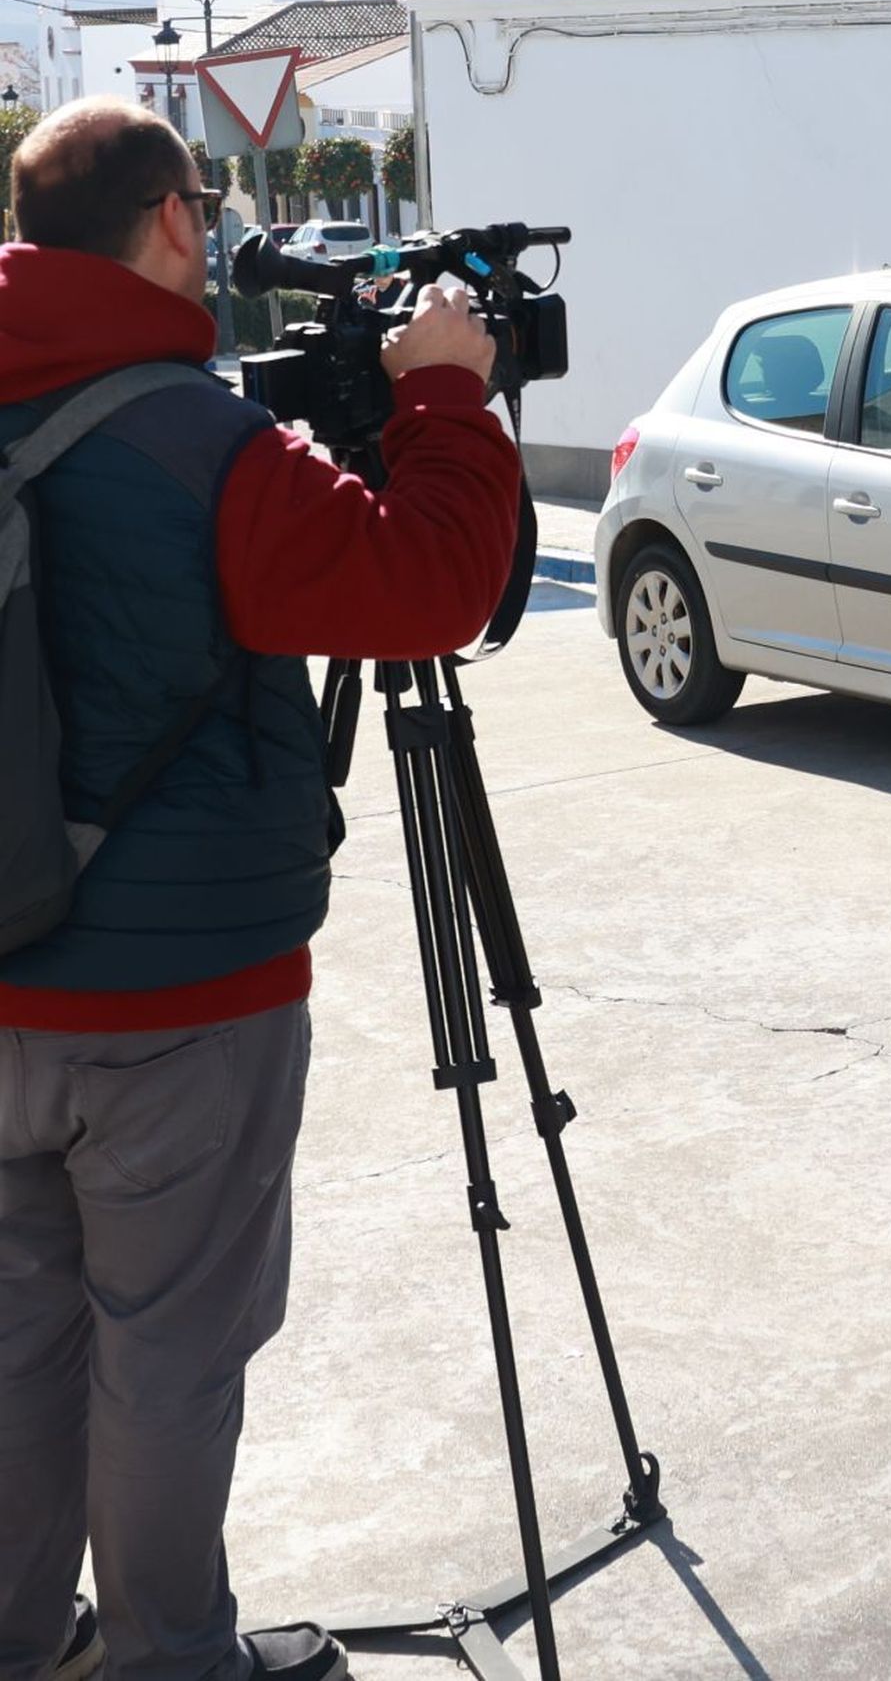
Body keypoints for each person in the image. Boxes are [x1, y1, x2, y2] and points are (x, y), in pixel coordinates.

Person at [0, 101, 524, 1681]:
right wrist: (440, 401)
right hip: (177, 1001)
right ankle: (172, 1660)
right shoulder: (197, 440)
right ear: (169, 222)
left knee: (22, 1345)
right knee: (167, 1350)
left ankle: (23, 1643)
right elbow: (425, 584)